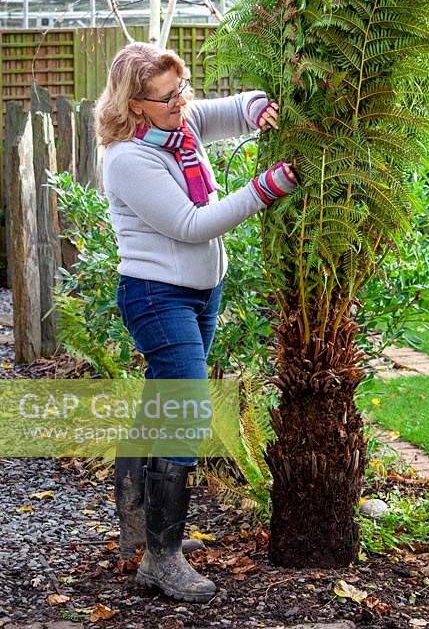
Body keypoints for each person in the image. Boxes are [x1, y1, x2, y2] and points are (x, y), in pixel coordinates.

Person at [94, 41, 298, 603]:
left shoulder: (177, 126)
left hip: (201, 293)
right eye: (167, 97)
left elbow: (231, 110)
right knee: (186, 411)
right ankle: (163, 558)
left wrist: (258, 108)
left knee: (164, 401)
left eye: (183, 88)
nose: (183, 102)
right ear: (136, 105)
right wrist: (265, 190)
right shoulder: (130, 159)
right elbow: (190, 224)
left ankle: (136, 526)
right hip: (157, 297)